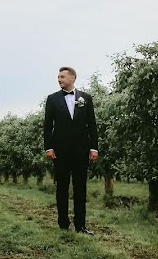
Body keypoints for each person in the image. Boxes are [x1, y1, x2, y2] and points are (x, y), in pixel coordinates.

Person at [43, 66, 99, 234]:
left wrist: (93, 148)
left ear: (72, 78)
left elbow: (92, 125)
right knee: (62, 187)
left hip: (81, 150)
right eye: (58, 77)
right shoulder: (52, 99)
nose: (59, 79)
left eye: (62, 76)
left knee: (80, 188)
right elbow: (48, 125)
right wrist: (49, 147)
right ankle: (63, 224)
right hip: (60, 151)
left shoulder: (86, 98)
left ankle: (81, 225)